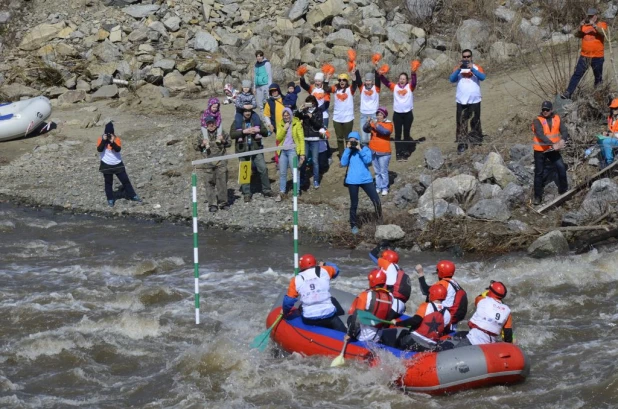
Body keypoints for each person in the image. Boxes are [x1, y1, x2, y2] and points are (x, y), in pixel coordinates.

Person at [438, 281, 513, 350]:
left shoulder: (481, 300)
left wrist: (488, 290)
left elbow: (481, 296)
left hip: (475, 338)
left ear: (490, 291)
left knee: (454, 352)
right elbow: (508, 333)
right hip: (490, 343)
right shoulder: (507, 311)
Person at [282, 254, 347, 332]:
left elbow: (288, 301)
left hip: (309, 318)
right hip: (329, 316)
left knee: (301, 307)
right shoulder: (324, 270)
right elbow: (336, 269)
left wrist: (285, 312)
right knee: (342, 330)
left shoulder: (296, 279)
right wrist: (324, 264)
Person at [340, 131, 382, 234]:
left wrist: (359, 149)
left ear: (358, 140)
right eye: (351, 140)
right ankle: (353, 225)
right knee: (354, 203)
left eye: (355, 140)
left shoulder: (365, 149)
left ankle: (379, 220)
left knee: (376, 200)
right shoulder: (348, 151)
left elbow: (368, 161)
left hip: (366, 179)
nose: (353, 142)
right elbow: (343, 163)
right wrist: (347, 150)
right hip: (352, 181)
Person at [346, 269, 400, 345]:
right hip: (377, 336)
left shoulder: (366, 295)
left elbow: (356, 315)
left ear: (373, 281)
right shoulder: (391, 297)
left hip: (362, 337)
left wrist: (349, 334)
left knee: (350, 318)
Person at [378, 62, 419, 161]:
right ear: (398, 79)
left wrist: (413, 73)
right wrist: (380, 74)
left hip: (408, 114)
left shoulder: (410, 87)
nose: (402, 80)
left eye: (404, 79)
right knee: (397, 134)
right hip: (397, 115)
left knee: (406, 133)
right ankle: (398, 153)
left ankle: (405, 152)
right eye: (400, 78)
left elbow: (414, 82)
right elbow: (385, 82)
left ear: (406, 80)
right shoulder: (394, 87)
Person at [230, 108, 273, 202]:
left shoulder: (256, 120)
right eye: (245, 111)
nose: (247, 113)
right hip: (243, 149)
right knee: (244, 171)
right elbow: (232, 134)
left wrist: (258, 130)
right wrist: (243, 132)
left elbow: (265, 132)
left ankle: (267, 190)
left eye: (249, 111)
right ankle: (246, 193)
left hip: (256, 148)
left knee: (263, 168)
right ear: (243, 112)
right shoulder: (237, 121)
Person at [563, 8, 607, 99]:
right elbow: (577, 35)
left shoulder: (601, 24)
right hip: (584, 56)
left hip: (597, 57)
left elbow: (604, 33)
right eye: (589, 16)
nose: (590, 17)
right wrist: (580, 26)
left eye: (592, 16)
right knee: (577, 74)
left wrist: (594, 26)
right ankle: (568, 92)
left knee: (598, 78)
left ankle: (598, 96)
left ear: (596, 16)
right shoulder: (585, 26)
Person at [394, 284, 452, 352]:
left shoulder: (426, 305)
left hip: (413, 341)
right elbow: (445, 331)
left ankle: (396, 351)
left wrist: (397, 323)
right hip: (430, 347)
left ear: (433, 294)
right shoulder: (448, 314)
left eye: (430, 294)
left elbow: (415, 320)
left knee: (403, 332)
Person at [532, 101, 569, 205]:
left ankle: (564, 190)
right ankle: (537, 196)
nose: (545, 111)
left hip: (552, 150)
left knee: (561, 167)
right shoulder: (537, 120)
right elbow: (540, 134)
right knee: (539, 173)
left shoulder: (557, 118)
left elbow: (564, 131)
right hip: (540, 150)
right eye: (543, 109)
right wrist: (553, 144)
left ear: (551, 109)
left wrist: (562, 140)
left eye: (547, 110)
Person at [449, 49, 486, 153]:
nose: (466, 58)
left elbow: (483, 77)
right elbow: (451, 79)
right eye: (464, 57)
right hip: (461, 100)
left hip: (475, 100)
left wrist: (472, 70)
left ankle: (476, 141)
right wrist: (458, 69)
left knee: (475, 121)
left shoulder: (477, 67)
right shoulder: (458, 68)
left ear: (471, 57)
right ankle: (462, 143)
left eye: (468, 56)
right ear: (462, 57)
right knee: (461, 122)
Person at [96, 122, 141, 207]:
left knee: (125, 181)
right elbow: (99, 149)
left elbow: (117, 149)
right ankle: (110, 199)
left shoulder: (116, 139)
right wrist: (104, 140)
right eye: (107, 133)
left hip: (117, 163)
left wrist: (112, 142)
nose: (109, 135)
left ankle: (132, 195)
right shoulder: (100, 139)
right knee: (108, 183)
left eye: (110, 133)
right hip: (106, 164)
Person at [416, 260, 468, 331]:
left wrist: (420, 273)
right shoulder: (455, 284)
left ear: (441, 272)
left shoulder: (443, 283)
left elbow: (425, 291)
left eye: (438, 271)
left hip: (442, 321)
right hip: (452, 321)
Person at [196, 115, 229, 212]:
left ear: (215, 123)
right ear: (206, 125)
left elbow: (229, 143)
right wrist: (202, 144)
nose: (211, 125)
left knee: (222, 182)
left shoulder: (222, 132)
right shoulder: (201, 135)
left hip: (221, 162)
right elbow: (196, 147)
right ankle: (212, 204)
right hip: (207, 163)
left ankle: (223, 203)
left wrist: (223, 140)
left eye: (213, 123)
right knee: (209, 184)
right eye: (209, 123)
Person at [296, 95, 327, 189]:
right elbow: (296, 116)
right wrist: (300, 109)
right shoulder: (304, 111)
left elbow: (319, 124)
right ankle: (302, 179)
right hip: (305, 139)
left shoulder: (318, 111)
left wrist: (311, 117)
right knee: (303, 159)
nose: (309, 104)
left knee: (315, 160)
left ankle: (316, 180)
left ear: (314, 102)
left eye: (311, 102)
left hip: (315, 139)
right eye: (307, 102)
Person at [276, 108, 305, 201]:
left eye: (288, 115)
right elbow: (278, 138)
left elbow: (301, 139)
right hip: (282, 151)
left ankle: (296, 192)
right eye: (284, 116)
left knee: (295, 172)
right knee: (282, 173)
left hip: (293, 150)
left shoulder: (297, 124)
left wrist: (302, 154)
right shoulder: (280, 124)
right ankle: (282, 192)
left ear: (291, 115)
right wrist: (284, 129)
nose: (286, 117)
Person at [364, 107, 393, 196]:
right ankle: (378, 186)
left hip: (384, 151)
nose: (378, 116)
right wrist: (367, 123)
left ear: (384, 116)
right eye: (377, 115)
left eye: (380, 115)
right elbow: (365, 129)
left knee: (383, 171)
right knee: (377, 171)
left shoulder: (389, 124)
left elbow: (385, 132)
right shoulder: (373, 123)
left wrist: (375, 124)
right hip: (373, 150)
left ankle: (385, 187)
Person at [328, 72, 358, 157]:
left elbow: (355, 85)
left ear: (347, 81)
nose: (342, 82)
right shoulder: (335, 89)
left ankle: (349, 155)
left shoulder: (350, 89)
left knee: (348, 138)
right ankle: (342, 156)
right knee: (339, 138)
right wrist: (327, 79)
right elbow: (326, 89)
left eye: (344, 80)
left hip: (348, 118)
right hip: (337, 118)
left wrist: (354, 78)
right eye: (340, 80)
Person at [374, 249, 411, 314]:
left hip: (391, 303)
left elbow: (379, 260)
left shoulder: (389, 265)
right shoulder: (399, 269)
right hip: (400, 305)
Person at [356, 70, 381, 146]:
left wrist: (377, 69)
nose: (367, 82)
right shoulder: (362, 88)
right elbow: (358, 80)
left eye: (369, 80)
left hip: (373, 114)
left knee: (372, 136)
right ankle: (365, 153)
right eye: (366, 80)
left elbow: (378, 79)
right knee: (364, 138)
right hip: (364, 114)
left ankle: (372, 154)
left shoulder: (376, 88)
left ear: (372, 81)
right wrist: (356, 70)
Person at [599, 98, 618, 165]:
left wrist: (609, 135)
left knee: (606, 141)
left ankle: (610, 162)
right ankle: (605, 158)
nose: (613, 110)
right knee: (600, 140)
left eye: (616, 108)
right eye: (612, 108)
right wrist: (605, 133)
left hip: (616, 138)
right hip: (613, 137)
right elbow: (610, 129)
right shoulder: (610, 118)